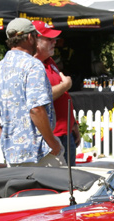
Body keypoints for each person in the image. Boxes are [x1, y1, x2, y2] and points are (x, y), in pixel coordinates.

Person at [0, 18, 61, 166]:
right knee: (56, 189)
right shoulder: (33, 65)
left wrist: (4, 137)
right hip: (40, 153)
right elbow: (36, 109)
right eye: (35, 36)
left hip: (13, 154)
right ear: (30, 38)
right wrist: (52, 143)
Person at [33, 20, 80, 166]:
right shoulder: (32, 66)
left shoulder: (49, 61)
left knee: (71, 183)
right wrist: (65, 85)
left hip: (65, 132)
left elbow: (61, 97)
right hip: (51, 137)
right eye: (49, 39)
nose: (55, 41)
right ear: (34, 40)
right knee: (59, 184)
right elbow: (39, 99)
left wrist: (73, 124)